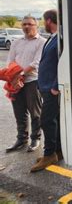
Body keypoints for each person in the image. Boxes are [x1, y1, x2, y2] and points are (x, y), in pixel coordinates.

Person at [6, 16, 46, 153]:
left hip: (32, 81)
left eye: (30, 24)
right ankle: (21, 139)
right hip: (15, 81)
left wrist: (20, 76)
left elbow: (36, 63)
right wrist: (12, 77)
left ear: (37, 25)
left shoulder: (41, 42)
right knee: (19, 112)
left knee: (35, 112)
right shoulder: (16, 42)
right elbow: (10, 61)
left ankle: (35, 138)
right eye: (24, 24)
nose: (26, 27)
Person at [31, 10, 61, 172]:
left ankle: (49, 154)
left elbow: (64, 63)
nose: (43, 24)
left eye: (44, 21)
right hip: (45, 86)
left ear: (49, 20)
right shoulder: (53, 37)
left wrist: (56, 86)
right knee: (54, 119)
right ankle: (57, 150)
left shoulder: (61, 39)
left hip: (51, 89)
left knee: (46, 121)